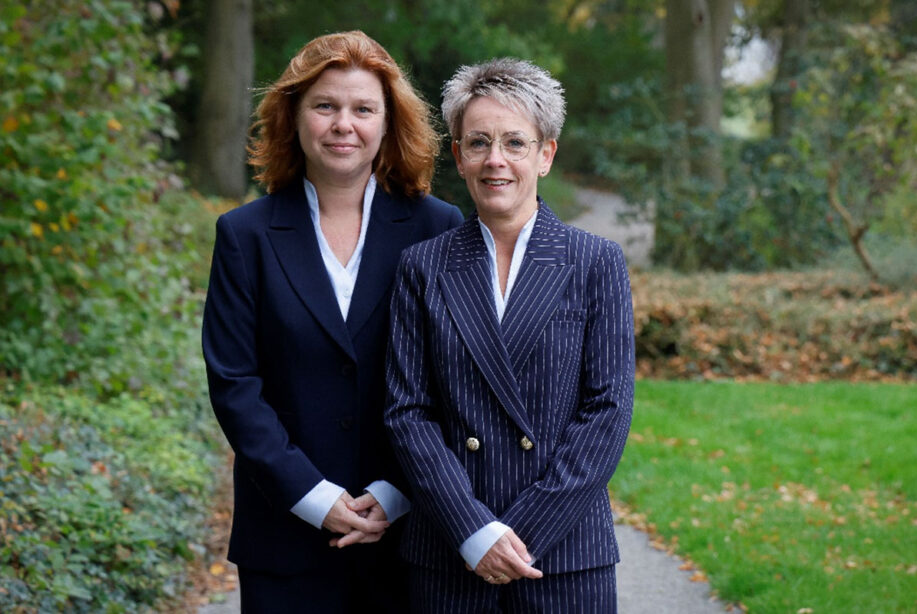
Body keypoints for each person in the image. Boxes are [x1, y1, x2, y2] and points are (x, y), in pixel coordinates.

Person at [201, 31, 463, 613]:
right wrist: (314, 497)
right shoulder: (245, 236)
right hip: (284, 536)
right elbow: (234, 385)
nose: (344, 124)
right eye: (325, 106)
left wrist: (395, 492)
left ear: (388, 123)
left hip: (410, 537)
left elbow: (453, 379)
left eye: (363, 109)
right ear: (294, 117)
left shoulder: (438, 228)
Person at [384, 58, 635, 613]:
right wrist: (475, 532)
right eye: (478, 143)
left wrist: (520, 534)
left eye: (515, 143)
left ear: (546, 155)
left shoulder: (595, 262)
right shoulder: (422, 267)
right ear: (458, 156)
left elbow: (608, 410)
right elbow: (408, 412)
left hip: (563, 553)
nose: (495, 159)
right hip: (451, 549)